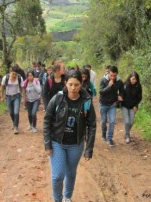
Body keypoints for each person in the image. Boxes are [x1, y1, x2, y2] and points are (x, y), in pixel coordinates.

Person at [43, 69, 96, 202]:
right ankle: (57, 199)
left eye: (77, 85)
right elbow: (47, 120)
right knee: (57, 176)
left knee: (71, 173)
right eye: (70, 84)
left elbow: (92, 125)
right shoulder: (58, 98)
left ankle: (67, 197)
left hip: (76, 145)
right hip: (57, 142)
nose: (73, 88)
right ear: (65, 83)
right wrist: (47, 144)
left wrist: (89, 149)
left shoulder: (86, 101)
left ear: (81, 84)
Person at [99, 65, 124, 147]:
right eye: (111, 75)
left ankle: (109, 139)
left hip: (112, 104)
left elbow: (122, 91)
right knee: (103, 121)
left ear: (117, 74)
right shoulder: (103, 80)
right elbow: (101, 92)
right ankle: (103, 133)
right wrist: (109, 86)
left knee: (112, 121)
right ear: (108, 73)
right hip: (103, 104)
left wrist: (120, 97)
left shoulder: (119, 81)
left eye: (114, 75)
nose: (113, 77)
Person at [0, 65, 24, 134]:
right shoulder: (5, 78)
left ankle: (16, 127)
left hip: (17, 96)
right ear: (10, 72)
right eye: (13, 74)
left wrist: (23, 97)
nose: (14, 75)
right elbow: (2, 87)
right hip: (8, 97)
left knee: (16, 112)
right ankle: (14, 123)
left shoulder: (19, 78)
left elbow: (22, 87)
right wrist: (2, 96)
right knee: (11, 112)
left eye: (16, 74)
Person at [121, 71, 142, 143]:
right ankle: (127, 135)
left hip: (133, 107)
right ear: (130, 78)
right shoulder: (125, 85)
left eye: (135, 79)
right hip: (124, 106)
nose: (134, 81)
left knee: (131, 122)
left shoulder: (138, 86)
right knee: (127, 122)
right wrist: (119, 98)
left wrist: (136, 106)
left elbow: (139, 97)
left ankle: (126, 132)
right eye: (133, 79)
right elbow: (121, 94)